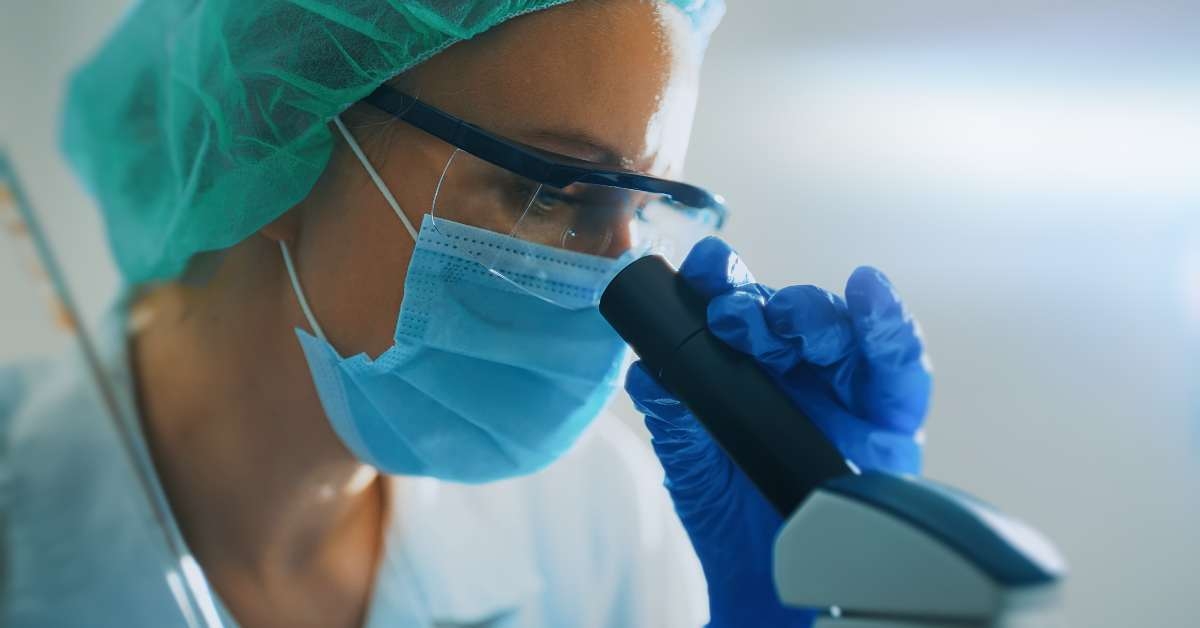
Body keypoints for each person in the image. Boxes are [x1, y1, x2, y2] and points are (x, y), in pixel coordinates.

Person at [0, 1, 931, 627]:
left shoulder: (600, 519)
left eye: (640, 210)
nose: (619, 287)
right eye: (549, 189)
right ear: (279, 141)